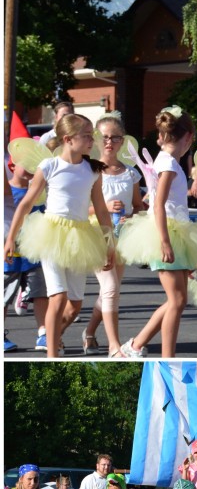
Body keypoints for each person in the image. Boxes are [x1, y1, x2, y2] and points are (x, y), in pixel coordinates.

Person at [3, 114, 115, 357]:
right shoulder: (49, 167)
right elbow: (25, 204)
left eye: (91, 134)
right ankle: (52, 354)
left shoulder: (92, 170)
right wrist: (11, 238)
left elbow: (102, 211)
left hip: (80, 237)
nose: (91, 139)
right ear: (68, 139)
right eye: (86, 135)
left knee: (74, 306)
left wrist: (110, 245)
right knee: (57, 297)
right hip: (51, 234)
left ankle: (53, 337)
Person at [119, 108, 197, 358]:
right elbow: (158, 204)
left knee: (178, 300)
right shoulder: (169, 164)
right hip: (166, 232)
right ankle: (165, 357)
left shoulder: (166, 161)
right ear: (189, 137)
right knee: (177, 301)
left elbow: (159, 198)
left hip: (176, 230)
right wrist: (164, 241)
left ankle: (135, 345)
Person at [81, 112, 145, 357]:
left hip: (122, 237)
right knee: (110, 289)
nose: (110, 142)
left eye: (115, 138)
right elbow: (77, 208)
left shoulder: (130, 174)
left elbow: (139, 206)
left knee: (111, 289)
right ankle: (114, 346)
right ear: (97, 139)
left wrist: (132, 215)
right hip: (97, 235)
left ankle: (89, 332)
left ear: (122, 141)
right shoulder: (89, 170)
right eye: (105, 137)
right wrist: (103, 208)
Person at [4, 159, 50, 352]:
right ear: (12, 166)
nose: (32, 169)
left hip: (33, 251)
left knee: (40, 293)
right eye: (27, 164)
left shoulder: (38, 191)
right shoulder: (7, 191)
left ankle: (43, 333)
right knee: (5, 294)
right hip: (10, 252)